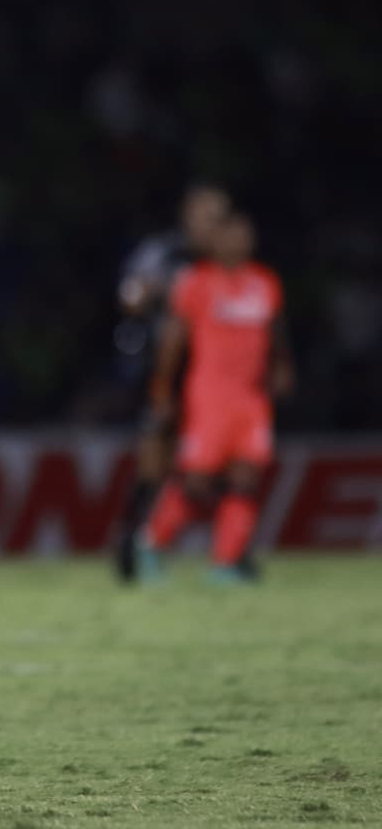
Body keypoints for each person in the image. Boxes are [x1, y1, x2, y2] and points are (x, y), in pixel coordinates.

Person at [134, 213, 295, 583]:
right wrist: (162, 387)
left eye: (246, 235)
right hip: (209, 395)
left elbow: (275, 330)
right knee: (197, 480)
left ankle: (224, 563)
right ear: (216, 242)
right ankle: (150, 543)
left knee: (246, 476)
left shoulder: (264, 282)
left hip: (251, 398)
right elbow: (174, 338)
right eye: (232, 236)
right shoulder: (197, 282)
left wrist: (283, 366)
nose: (241, 242)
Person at [110, 184, 231, 582]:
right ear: (187, 217)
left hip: (218, 374)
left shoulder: (230, 260)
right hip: (168, 371)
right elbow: (130, 294)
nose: (211, 226)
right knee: (154, 462)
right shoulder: (163, 253)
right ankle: (130, 543)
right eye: (204, 217)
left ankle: (228, 552)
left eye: (218, 217)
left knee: (222, 468)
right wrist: (146, 294)